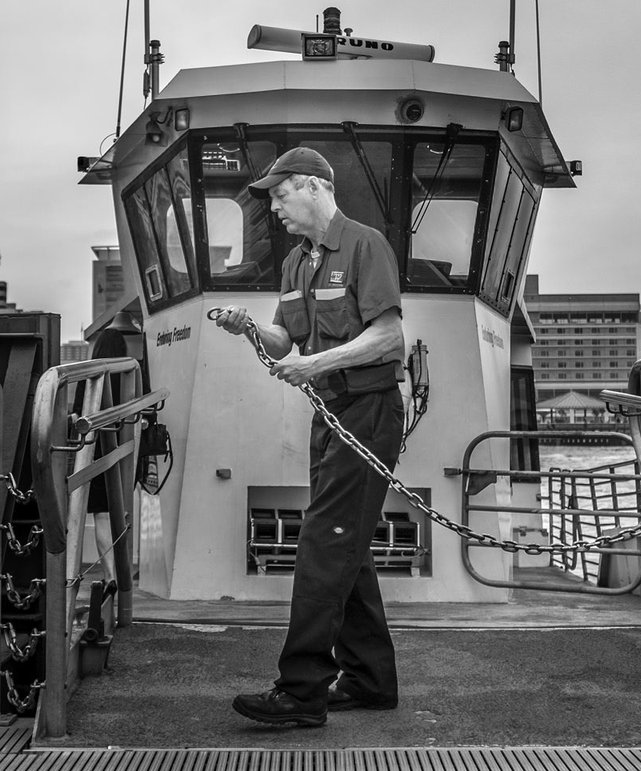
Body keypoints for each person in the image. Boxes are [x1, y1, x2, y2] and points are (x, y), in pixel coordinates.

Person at [214, 147, 406, 727]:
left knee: (323, 543)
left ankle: (301, 691)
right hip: (329, 413)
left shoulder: (365, 244)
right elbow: (283, 342)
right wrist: (249, 326)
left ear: (314, 188)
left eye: (280, 196)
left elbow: (390, 336)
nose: (273, 209)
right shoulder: (297, 264)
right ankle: (372, 681)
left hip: (369, 409)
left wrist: (316, 368)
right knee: (345, 545)